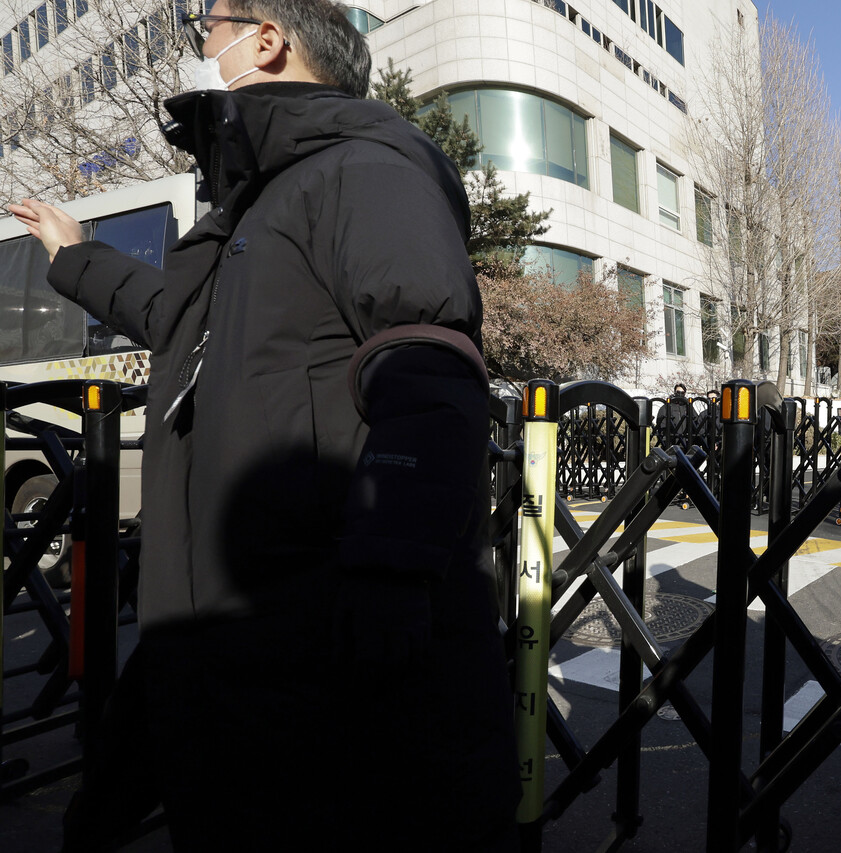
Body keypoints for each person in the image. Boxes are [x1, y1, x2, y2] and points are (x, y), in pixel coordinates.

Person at [8, 0, 518, 849]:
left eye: (205, 26)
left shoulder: (361, 170)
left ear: (267, 41)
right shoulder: (262, 204)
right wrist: (73, 259)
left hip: (310, 660)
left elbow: (426, 365)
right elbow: (179, 313)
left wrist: (391, 569)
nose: (199, 45)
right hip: (229, 646)